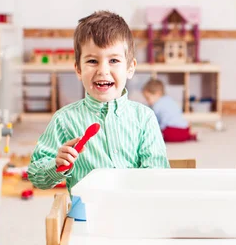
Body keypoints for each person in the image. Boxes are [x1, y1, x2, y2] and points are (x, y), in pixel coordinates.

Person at [28, 11, 169, 194]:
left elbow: (157, 175)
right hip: (86, 216)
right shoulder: (64, 120)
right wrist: (57, 164)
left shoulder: (144, 118)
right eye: (93, 61)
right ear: (78, 69)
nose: (103, 70)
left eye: (114, 60)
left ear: (130, 68)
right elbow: (35, 175)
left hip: (134, 211)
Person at [142, 78, 197, 142]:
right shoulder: (170, 100)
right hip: (185, 129)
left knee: (160, 134)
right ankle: (189, 135)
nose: (147, 101)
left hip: (171, 131)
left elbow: (155, 122)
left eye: (148, 98)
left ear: (158, 94)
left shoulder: (156, 105)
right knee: (178, 133)